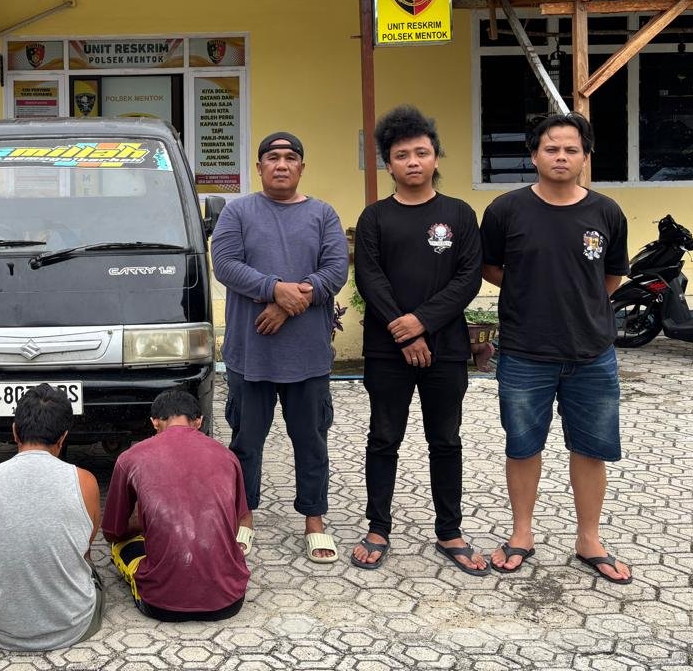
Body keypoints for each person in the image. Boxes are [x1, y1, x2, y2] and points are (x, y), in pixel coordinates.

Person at [481, 112, 632, 584]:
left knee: (591, 448)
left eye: (571, 149)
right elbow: (491, 267)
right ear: (534, 155)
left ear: (585, 157)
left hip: (592, 353)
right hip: (525, 351)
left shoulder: (606, 212)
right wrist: (533, 290)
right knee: (523, 445)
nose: (561, 156)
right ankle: (521, 533)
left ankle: (589, 539)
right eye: (551, 148)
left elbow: (611, 275)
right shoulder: (506, 210)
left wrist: (579, 303)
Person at [351, 106, 486, 574]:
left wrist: (422, 323)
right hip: (386, 350)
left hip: (446, 348)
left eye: (422, 153)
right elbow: (369, 278)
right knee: (383, 438)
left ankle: (450, 530)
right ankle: (377, 528)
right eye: (402, 155)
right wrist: (403, 330)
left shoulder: (459, 214)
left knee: (445, 439)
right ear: (388, 164)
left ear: (436, 158)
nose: (413, 161)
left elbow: (468, 278)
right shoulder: (375, 218)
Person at [211, 131, 349, 563]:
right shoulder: (237, 212)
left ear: (302, 166)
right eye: (272, 157)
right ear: (259, 167)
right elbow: (225, 264)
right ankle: (244, 516)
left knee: (311, 440)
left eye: (291, 157)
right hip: (251, 354)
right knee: (246, 441)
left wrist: (287, 304)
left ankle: (314, 520)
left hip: (307, 356)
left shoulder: (322, 214)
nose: (282, 164)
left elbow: (336, 269)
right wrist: (274, 288)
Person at [0, 384, 103, 650]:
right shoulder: (85, 482)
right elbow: (85, 547)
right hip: (73, 628)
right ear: (63, 437)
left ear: (15, 431)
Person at [102, 389, 251, 621]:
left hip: (161, 604)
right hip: (228, 601)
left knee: (121, 545)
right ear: (199, 422)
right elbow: (236, 523)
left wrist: (142, 524)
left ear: (154, 422)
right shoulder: (227, 456)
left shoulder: (130, 458)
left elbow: (112, 532)